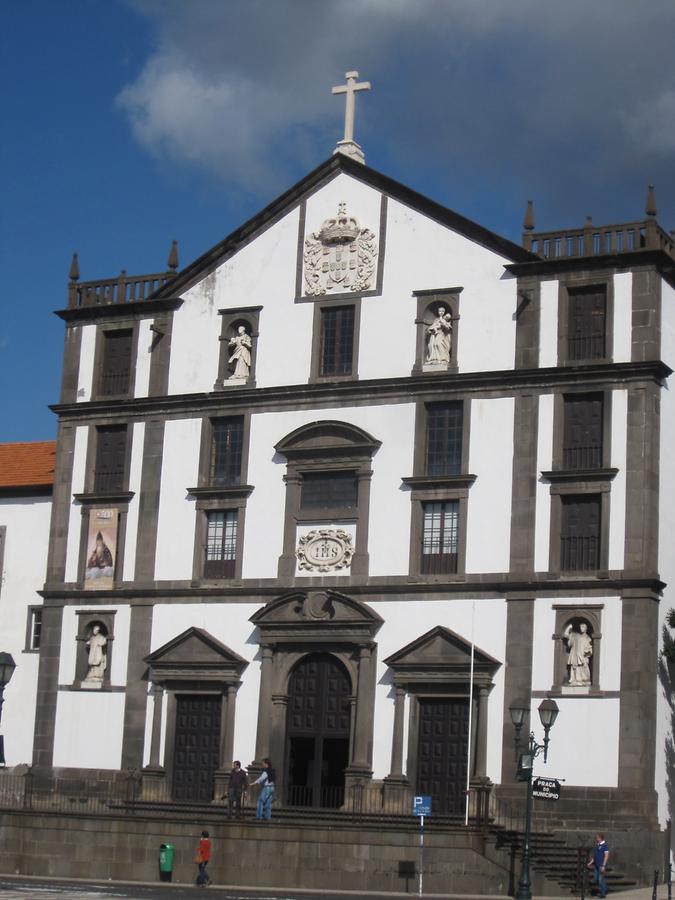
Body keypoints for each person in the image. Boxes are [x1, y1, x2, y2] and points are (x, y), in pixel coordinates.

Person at [587, 832, 609, 898]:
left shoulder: (605, 845)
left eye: (597, 837)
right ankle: (605, 889)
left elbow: (606, 856)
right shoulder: (597, 845)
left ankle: (603, 894)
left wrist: (604, 866)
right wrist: (590, 863)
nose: (596, 839)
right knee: (596, 879)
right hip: (596, 865)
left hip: (601, 865)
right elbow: (595, 856)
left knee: (600, 880)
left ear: (600, 838)